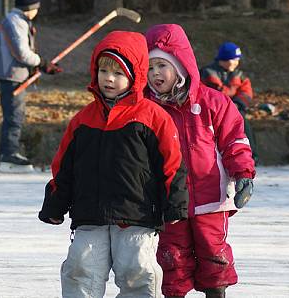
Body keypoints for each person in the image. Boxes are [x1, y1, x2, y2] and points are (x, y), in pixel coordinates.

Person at [39, 31, 189, 297]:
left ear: (135, 76)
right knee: (79, 271)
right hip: (89, 216)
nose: (109, 78)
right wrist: (55, 203)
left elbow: (172, 164)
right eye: (103, 70)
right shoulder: (83, 120)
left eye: (118, 73)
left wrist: (175, 203)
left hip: (137, 216)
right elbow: (64, 168)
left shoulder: (153, 117)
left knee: (138, 274)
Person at [145, 24, 256, 298]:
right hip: (169, 201)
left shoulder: (212, 102)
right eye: (149, 68)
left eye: (162, 65)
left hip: (211, 198)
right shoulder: (147, 108)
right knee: (172, 257)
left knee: (213, 254)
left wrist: (243, 173)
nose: (155, 73)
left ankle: (216, 293)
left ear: (180, 65)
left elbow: (235, 141)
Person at [0, 0, 62, 173]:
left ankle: (10, 152)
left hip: (18, 74)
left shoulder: (20, 21)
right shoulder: (15, 22)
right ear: (30, 8)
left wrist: (39, 66)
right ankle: (8, 155)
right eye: (36, 8)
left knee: (17, 115)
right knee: (14, 116)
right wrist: (42, 62)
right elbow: (21, 52)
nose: (37, 12)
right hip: (12, 76)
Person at [200, 42, 258, 162]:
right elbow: (202, 90)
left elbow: (246, 92)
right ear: (224, 59)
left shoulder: (240, 75)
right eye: (233, 59)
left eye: (237, 60)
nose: (236, 63)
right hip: (213, 109)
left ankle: (251, 154)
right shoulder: (207, 72)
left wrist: (237, 103)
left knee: (244, 125)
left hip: (235, 109)